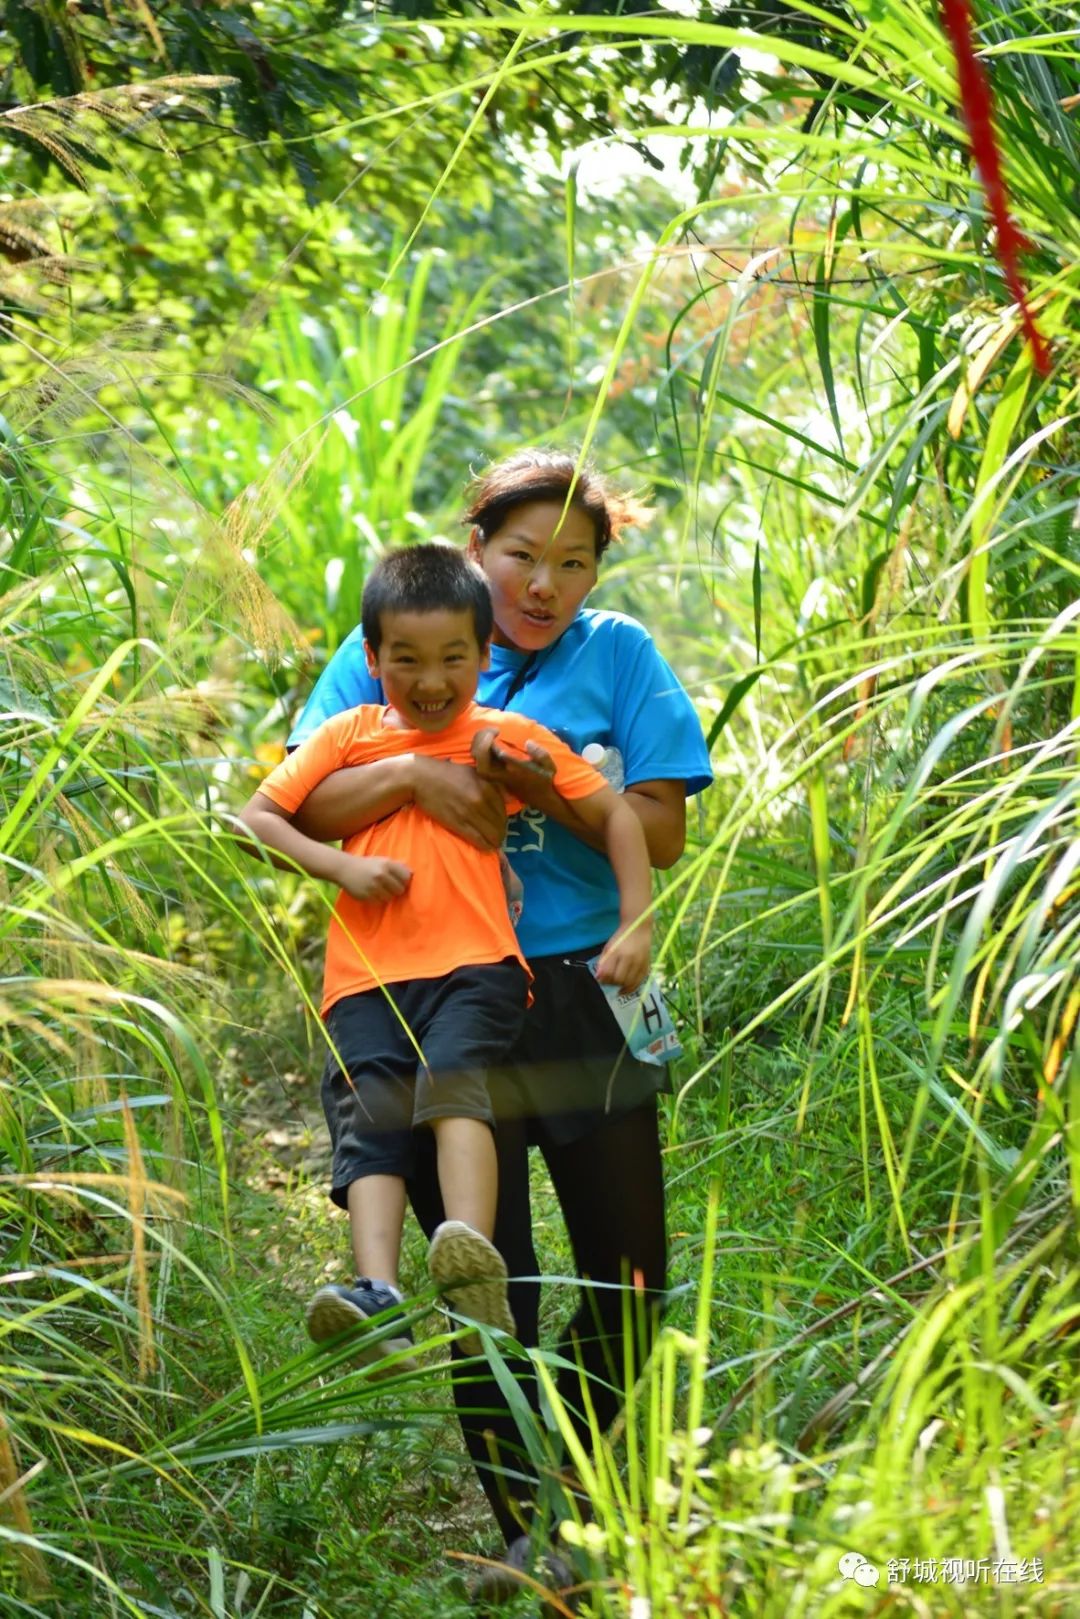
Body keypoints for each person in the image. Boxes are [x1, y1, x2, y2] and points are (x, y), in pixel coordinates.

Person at [288, 450, 712, 1565]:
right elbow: (305, 801)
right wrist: (418, 778)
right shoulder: (386, 644)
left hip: (583, 987)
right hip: (431, 988)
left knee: (631, 1270)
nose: (543, 584)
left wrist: (534, 785)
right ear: (477, 549)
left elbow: (659, 829)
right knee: (489, 1278)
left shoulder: (619, 655)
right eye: (522, 554)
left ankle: (583, 1481)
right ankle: (529, 1532)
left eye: (573, 563)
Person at [240, 543, 653, 1364]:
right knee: (371, 1122)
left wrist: (635, 922)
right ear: (371, 659)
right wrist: (344, 865)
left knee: (452, 1085)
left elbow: (618, 816)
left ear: (484, 653)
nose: (431, 681)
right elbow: (257, 820)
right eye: (407, 661)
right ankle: (377, 1289)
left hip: (477, 963)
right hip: (363, 979)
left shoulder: (500, 734)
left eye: (453, 659)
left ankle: (471, 1254)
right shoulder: (347, 735)